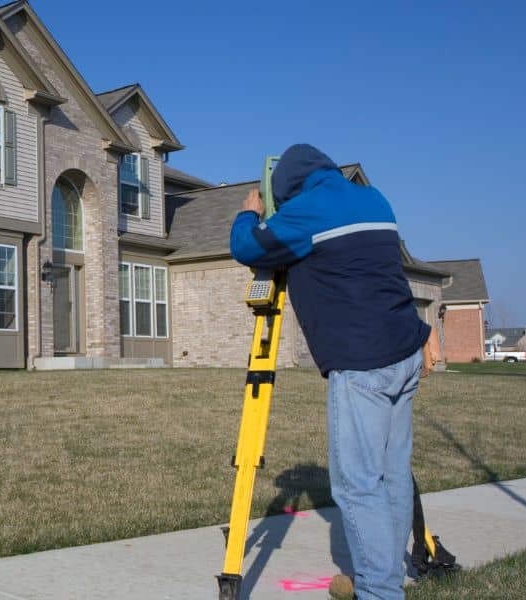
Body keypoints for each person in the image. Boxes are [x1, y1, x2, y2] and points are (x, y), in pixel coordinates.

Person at [229, 144, 433, 600]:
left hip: (363, 364)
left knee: (358, 485)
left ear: (287, 188)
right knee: (393, 474)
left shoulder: (306, 211)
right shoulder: (374, 198)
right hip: (404, 352)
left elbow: (247, 247)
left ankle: (379, 591)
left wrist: (249, 214)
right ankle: (384, 576)